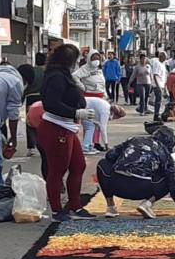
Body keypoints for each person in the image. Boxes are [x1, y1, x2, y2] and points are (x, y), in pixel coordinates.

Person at [38, 44, 96, 221]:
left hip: (67, 127)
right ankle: (56, 210)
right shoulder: (56, 77)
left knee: (78, 165)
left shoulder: (64, 75)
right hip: (56, 127)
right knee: (57, 170)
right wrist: (75, 112)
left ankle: (75, 206)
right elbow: (51, 103)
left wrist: (80, 104)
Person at [96, 126, 175, 219]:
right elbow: (174, 185)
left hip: (117, 185)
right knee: (168, 178)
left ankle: (110, 207)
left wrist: (124, 160)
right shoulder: (165, 153)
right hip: (141, 190)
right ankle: (147, 204)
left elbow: (109, 155)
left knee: (102, 163)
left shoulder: (134, 139)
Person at [76, 50, 111, 154]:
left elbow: (102, 84)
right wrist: (83, 87)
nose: (96, 61)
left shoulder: (99, 70)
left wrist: (105, 95)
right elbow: (74, 76)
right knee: (89, 124)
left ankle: (93, 143)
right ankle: (87, 145)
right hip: (89, 98)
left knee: (96, 125)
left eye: (98, 58)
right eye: (94, 58)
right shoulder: (84, 69)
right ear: (89, 59)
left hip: (100, 97)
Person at [23, 51, 47, 156]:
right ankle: (44, 144)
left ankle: (31, 147)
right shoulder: (47, 72)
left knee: (30, 122)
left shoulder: (31, 71)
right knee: (43, 121)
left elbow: (25, 85)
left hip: (30, 98)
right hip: (43, 98)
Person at [149, 51, 168, 122]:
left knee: (159, 101)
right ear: (160, 56)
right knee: (158, 101)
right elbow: (155, 75)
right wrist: (158, 86)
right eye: (164, 58)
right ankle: (156, 115)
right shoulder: (157, 63)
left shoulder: (162, 64)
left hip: (161, 85)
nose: (165, 59)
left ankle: (157, 114)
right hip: (158, 85)